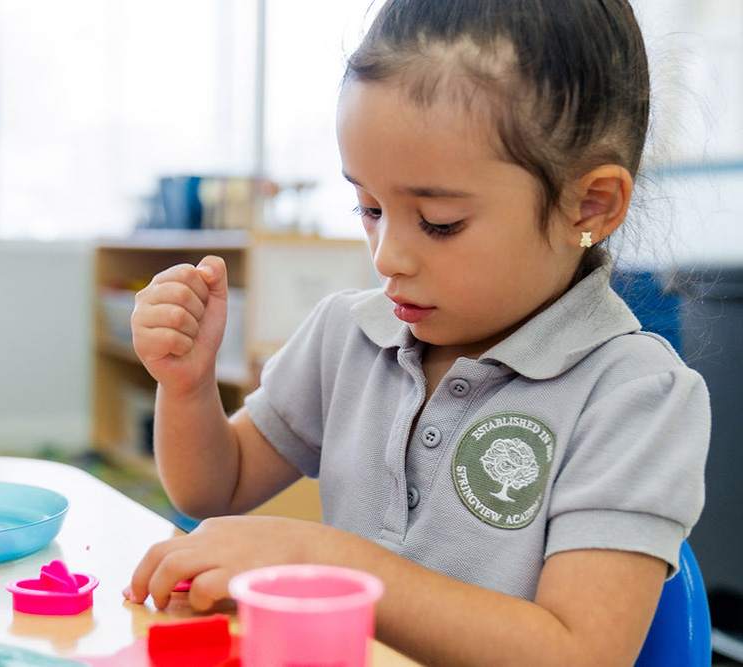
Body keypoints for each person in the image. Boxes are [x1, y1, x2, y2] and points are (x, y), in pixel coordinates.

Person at [123, 1, 710, 663]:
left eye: (437, 221)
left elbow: (578, 651)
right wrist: (188, 384)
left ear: (590, 205)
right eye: (369, 207)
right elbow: (213, 489)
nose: (387, 256)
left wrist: (326, 558)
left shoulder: (636, 396)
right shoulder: (348, 336)